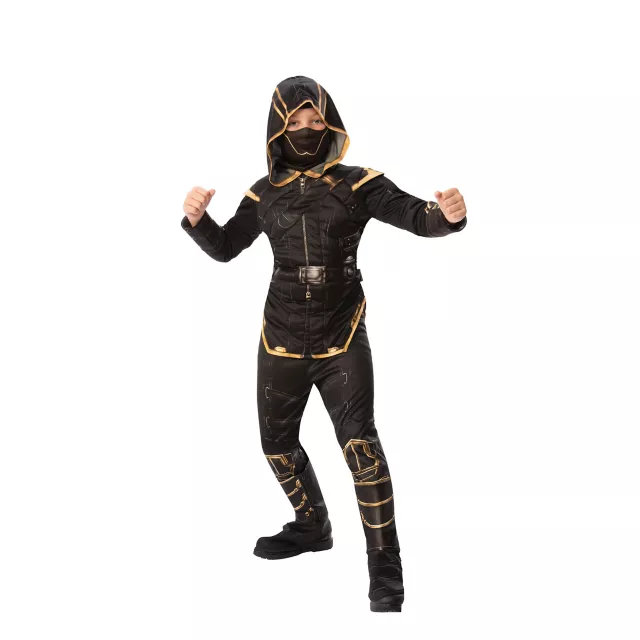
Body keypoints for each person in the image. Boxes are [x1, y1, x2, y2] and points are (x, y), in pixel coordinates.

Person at [180, 75, 468, 613]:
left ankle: (385, 566)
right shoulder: (263, 194)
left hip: (342, 336)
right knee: (276, 445)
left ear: (331, 123)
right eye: (295, 122)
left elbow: (416, 215)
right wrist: (197, 221)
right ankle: (312, 524)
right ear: (277, 130)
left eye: (316, 120)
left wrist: (447, 217)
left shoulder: (359, 184)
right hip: (281, 337)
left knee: (361, 449)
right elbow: (226, 247)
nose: (307, 130)